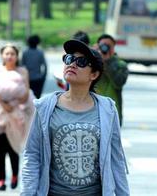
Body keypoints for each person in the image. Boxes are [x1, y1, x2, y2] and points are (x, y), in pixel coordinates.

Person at [21, 39, 129, 196]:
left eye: (81, 62)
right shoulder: (45, 106)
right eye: (69, 59)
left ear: (94, 74)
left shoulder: (107, 109)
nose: (72, 64)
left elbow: (116, 160)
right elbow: (32, 155)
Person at [0, 44, 35, 191]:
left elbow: (26, 91)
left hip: (17, 111)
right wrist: (3, 104)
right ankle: (0, 180)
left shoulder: (22, 71)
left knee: (13, 147)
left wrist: (16, 103)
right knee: (0, 148)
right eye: (6, 54)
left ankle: (14, 176)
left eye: (12, 54)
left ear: (16, 56)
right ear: (2, 56)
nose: (9, 56)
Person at [93, 34, 129, 125]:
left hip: (113, 112)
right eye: (102, 45)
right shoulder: (92, 63)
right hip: (94, 111)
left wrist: (108, 62)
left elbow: (118, 83)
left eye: (108, 46)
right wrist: (94, 56)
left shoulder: (121, 65)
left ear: (113, 48)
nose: (105, 48)